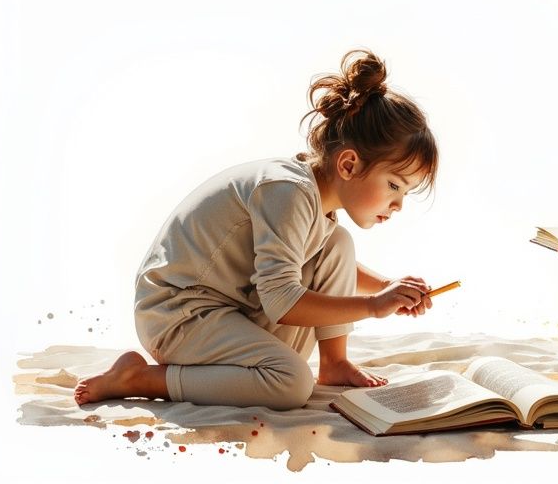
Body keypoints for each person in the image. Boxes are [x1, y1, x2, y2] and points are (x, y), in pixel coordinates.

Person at [74, 50, 440, 410]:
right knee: (290, 384)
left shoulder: (316, 204)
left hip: (230, 309)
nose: (398, 204)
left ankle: (334, 363)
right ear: (348, 164)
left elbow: (314, 264)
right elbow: (281, 301)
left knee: (338, 244)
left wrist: (388, 288)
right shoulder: (287, 191)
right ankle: (140, 379)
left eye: (405, 193)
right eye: (394, 185)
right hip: (178, 313)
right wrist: (374, 306)